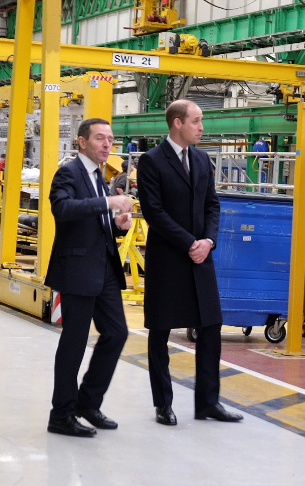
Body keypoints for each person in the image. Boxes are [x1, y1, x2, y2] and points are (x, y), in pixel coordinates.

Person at [137, 100, 243, 425]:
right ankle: (163, 404)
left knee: (211, 327)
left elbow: (213, 204)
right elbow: (154, 212)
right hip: (169, 259)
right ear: (177, 123)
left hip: (200, 258)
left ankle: (208, 403)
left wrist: (208, 242)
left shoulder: (201, 158)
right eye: (196, 121)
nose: (202, 127)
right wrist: (189, 243)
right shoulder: (151, 161)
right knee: (160, 331)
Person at [45, 118, 134, 437]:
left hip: (105, 268)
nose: (107, 144)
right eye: (100, 138)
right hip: (78, 269)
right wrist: (108, 202)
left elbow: (94, 220)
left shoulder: (100, 176)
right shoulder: (69, 172)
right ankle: (61, 414)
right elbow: (64, 209)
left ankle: (88, 402)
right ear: (82, 142)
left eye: (110, 139)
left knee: (117, 333)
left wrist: (115, 223)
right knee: (75, 343)